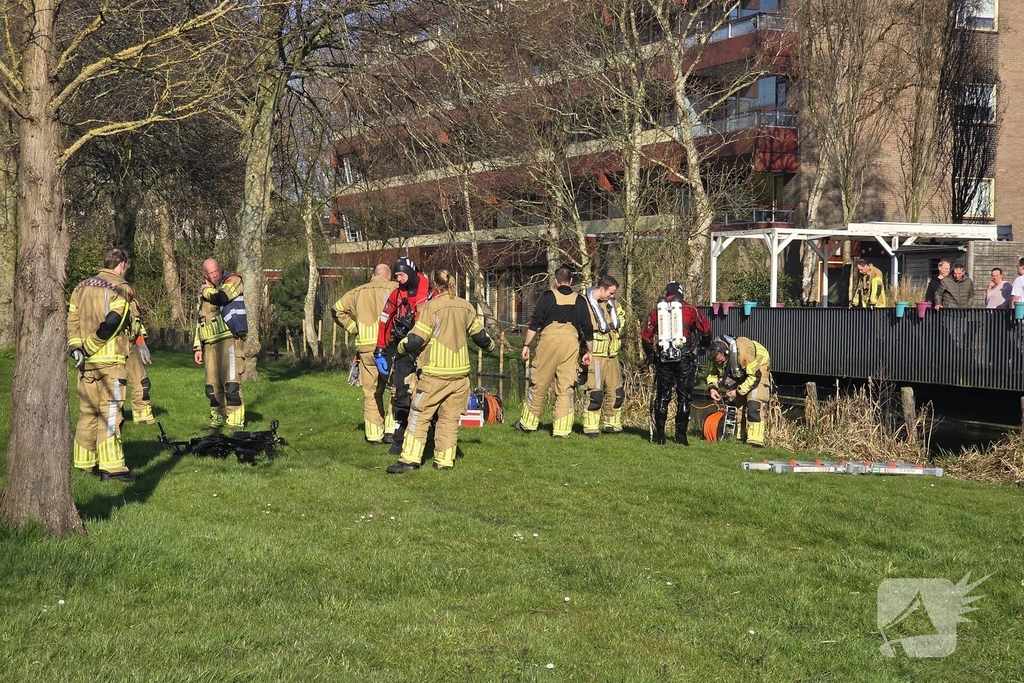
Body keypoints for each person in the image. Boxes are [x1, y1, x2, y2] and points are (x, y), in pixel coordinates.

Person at [386, 269, 496, 473]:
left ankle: (409, 460)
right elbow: (482, 338)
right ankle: (444, 461)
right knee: (449, 419)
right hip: (460, 376)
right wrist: (492, 347)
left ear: (435, 286)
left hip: (434, 374)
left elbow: (417, 339)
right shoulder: (467, 307)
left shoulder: (431, 307)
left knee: (419, 416)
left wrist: (400, 346)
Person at [66, 247, 137, 482]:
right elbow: (112, 322)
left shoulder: (80, 287)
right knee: (111, 414)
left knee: (88, 413)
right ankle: (112, 468)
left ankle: (84, 464)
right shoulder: (120, 288)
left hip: (86, 365)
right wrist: (89, 345)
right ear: (121, 265)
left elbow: (72, 320)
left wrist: (77, 348)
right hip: (110, 362)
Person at [515, 266, 594, 438]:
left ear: (556, 282)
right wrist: (589, 351)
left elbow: (535, 322)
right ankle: (562, 430)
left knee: (539, 382)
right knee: (566, 386)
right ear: (571, 282)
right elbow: (587, 327)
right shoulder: (580, 299)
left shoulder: (547, 296)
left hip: (548, 342)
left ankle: (528, 424)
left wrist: (526, 345)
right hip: (570, 343)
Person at [374, 257, 435, 455]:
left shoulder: (429, 291)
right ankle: (399, 434)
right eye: (396, 275)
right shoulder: (396, 293)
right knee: (400, 390)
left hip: (426, 349)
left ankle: (428, 435)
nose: (397, 279)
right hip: (403, 347)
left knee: (426, 392)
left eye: (400, 275)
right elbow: (385, 318)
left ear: (410, 272)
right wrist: (380, 349)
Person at [332, 264, 398, 444]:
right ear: (389, 275)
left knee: (371, 392)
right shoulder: (395, 288)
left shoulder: (357, 292)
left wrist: (354, 328)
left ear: (372, 275)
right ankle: (392, 431)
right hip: (389, 346)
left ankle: (374, 435)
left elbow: (336, 309)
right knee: (396, 389)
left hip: (366, 348)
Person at [640, 282, 711, 445]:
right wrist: (704, 346)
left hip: (663, 358)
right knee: (684, 397)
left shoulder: (656, 312)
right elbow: (705, 330)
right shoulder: (691, 310)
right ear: (681, 293)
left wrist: (651, 355)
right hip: (684, 356)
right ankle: (681, 437)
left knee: (662, 397)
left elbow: (646, 337)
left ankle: (660, 437)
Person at [193, 258, 248, 429]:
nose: (216, 274)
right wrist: (197, 347)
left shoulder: (233, 280)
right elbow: (199, 321)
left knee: (231, 384)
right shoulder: (204, 293)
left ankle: (234, 422)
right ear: (205, 275)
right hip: (209, 344)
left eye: (217, 270)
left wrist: (206, 291)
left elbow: (222, 297)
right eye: (211, 272)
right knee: (212, 386)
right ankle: (216, 419)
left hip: (228, 341)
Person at [707, 335, 771, 447]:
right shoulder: (715, 356)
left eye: (722, 362)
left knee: (754, 402)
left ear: (726, 353)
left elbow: (754, 376)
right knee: (739, 404)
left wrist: (738, 391)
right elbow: (712, 373)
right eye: (718, 363)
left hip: (758, 365)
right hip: (741, 369)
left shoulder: (743, 354)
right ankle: (739, 436)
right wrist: (712, 388)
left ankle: (755, 440)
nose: (720, 364)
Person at [582, 276, 624, 438]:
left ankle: (612, 425)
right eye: (611, 293)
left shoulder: (612, 304)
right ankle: (591, 428)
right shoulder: (584, 304)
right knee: (595, 393)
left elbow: (621, 322)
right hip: (596, 356)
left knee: (617, 392)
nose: (612, 296)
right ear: (602, 289)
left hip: (612, 354)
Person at [125, 298, 155, 424]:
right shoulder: (108, 296)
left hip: (131, 346)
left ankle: (141, 415)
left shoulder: (133, 301)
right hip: (113, 347)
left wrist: (142, 345)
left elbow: (137, 325)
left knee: (143, 383)